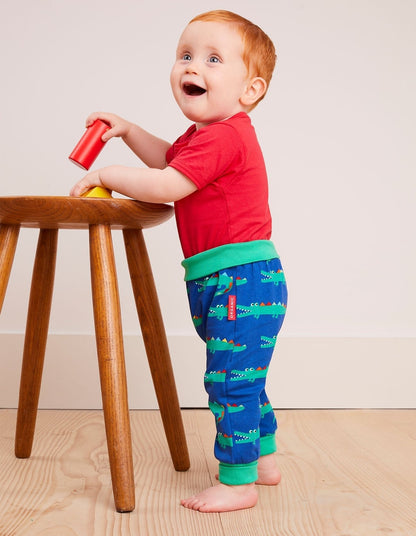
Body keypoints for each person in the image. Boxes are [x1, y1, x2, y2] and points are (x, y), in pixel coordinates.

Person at [70, 9, 287, 513]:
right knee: (242, 374)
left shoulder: (226, 135)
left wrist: (109, 174)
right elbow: (170, 160)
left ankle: (238, 483)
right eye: (185, 55)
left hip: (240, 281)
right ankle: (263, 459)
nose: (192, 66)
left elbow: (169, 184)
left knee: (230, 382)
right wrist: (128, 131)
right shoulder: (204, 137)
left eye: (213, 59)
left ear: (250, 89)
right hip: (228, 280)